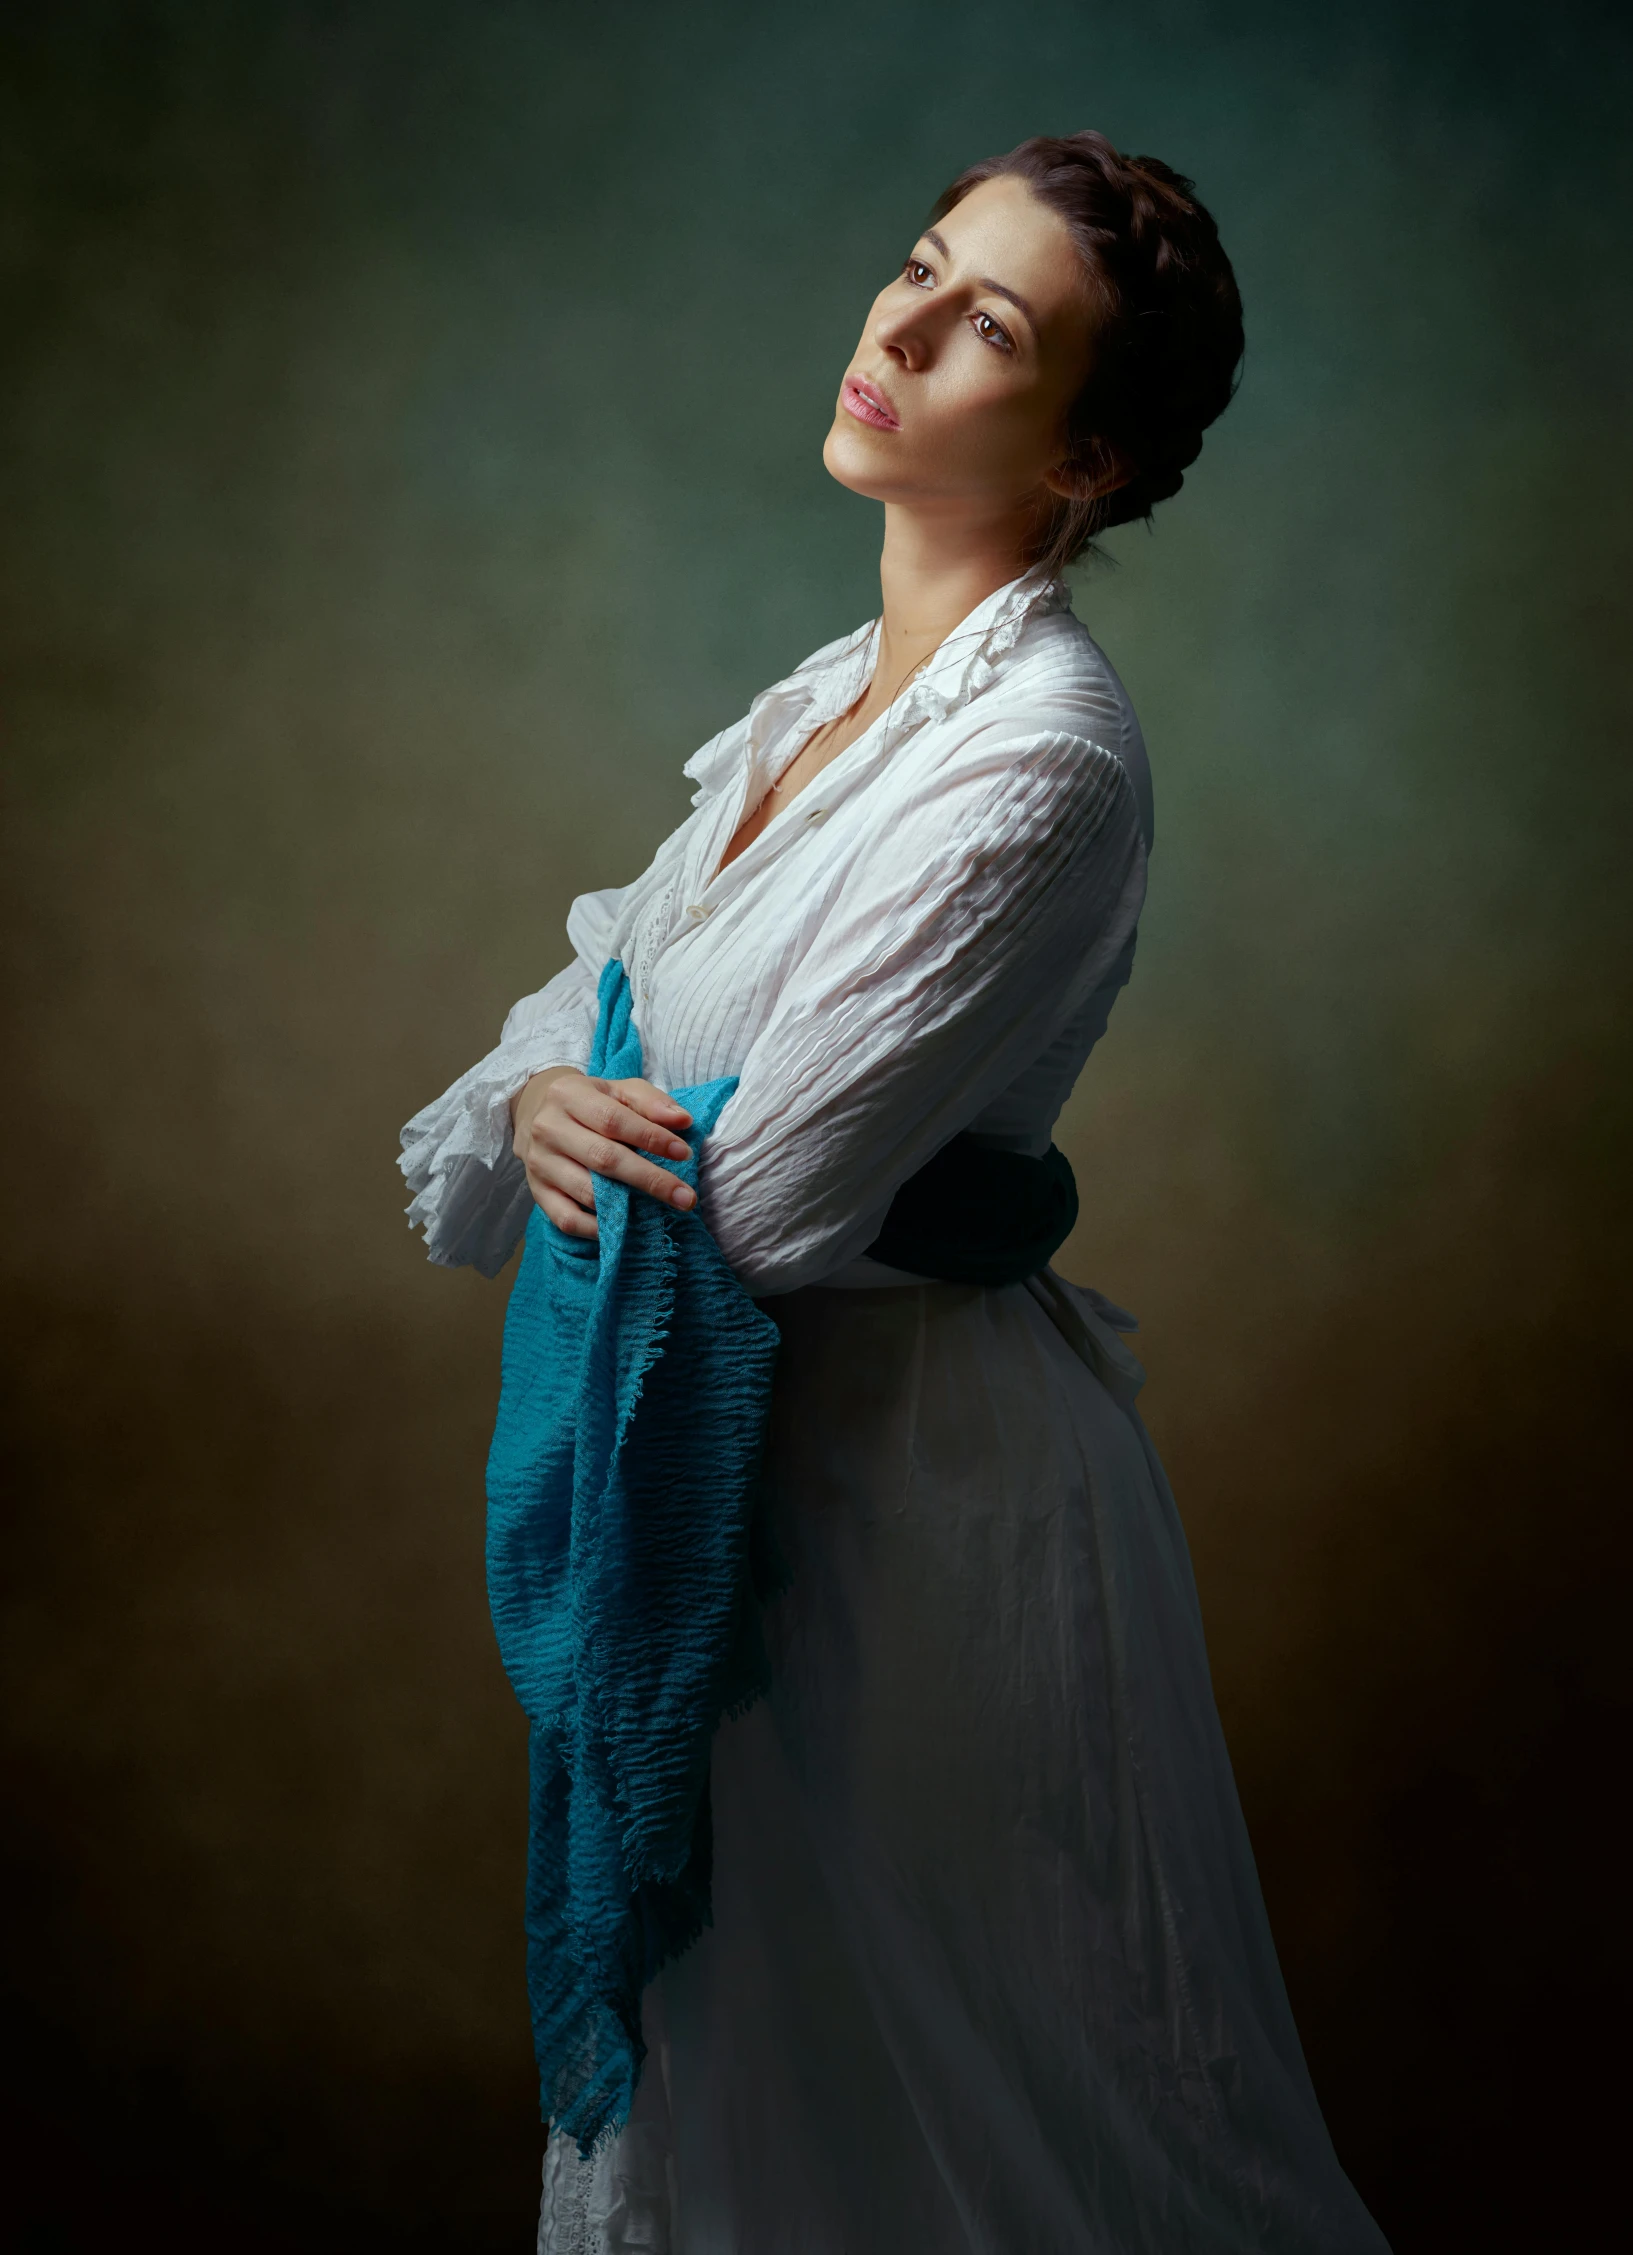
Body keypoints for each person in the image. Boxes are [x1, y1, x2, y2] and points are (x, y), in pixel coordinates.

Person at [400, 131, 1391, 2255]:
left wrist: (581, 1089)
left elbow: (747, 1198)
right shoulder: (810, 707)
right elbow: (575, 1007)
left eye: (992, 328)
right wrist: (543, 1097)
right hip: (738, 1491)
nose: (904, 329)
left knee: (983, 2127)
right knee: (742, 2103)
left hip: (904, 1529)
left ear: (1090, 459)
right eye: (920, 271)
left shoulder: (1041, 754)